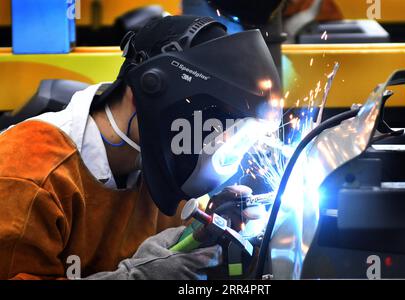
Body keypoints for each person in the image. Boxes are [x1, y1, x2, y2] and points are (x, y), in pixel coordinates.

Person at [0, 15, 281, 280]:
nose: (207, 138)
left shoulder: (168, 169)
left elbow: (180, 259)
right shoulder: (28, 175)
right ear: (146, 94)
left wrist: (207, 230)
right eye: (206, 121)